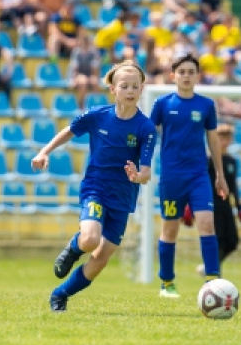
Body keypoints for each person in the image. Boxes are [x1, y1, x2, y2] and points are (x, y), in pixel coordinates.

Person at [32, 60, 156, 313]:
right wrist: (45, 151)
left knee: (100, 260)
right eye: (125, 86)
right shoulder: (98, 115)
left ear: (142, 89)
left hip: (123, 198)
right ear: (113, 89)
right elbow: (69, 130)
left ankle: (60, 295)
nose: (130, 91)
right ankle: (73, 248)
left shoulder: (146, 127)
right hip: (96, 189)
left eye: (135, 86)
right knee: (90, 240)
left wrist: (136, 177)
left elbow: (147, 172)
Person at [150, 53, 228, 298]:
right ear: (173, 75)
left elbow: (213, 140)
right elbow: (148, 134)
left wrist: (219, 174)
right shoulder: (162, 104)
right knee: (170, 229)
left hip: (198, 175)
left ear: (197, 76)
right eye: (181, 71)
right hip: (171, 177)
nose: (186, 76)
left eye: (190, 72)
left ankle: (213, 281)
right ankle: (167, 283)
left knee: (206, 223)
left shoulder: (206, 105)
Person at [184, 124, 241, 273]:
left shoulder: (231, 161)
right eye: (221, 138)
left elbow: (233, 187)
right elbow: (196, 182)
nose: (225, 141)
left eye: (227, 138)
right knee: (216, 240)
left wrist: (240, 209)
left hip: (225, 205)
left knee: (232, 241)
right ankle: (213, 275)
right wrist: (189, 205)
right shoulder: (207, 160)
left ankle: (209, 268)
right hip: (209, 205)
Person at [68, 29, 100, 110]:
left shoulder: (93, 52)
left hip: (89, 74)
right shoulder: (77, 52)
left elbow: (95, 68)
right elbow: (75, 69)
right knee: (83, 81)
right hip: (78, 75)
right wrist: (73, 79)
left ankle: (96, 105)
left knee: (95, 81)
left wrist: (94, 77)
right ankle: (81, 104)